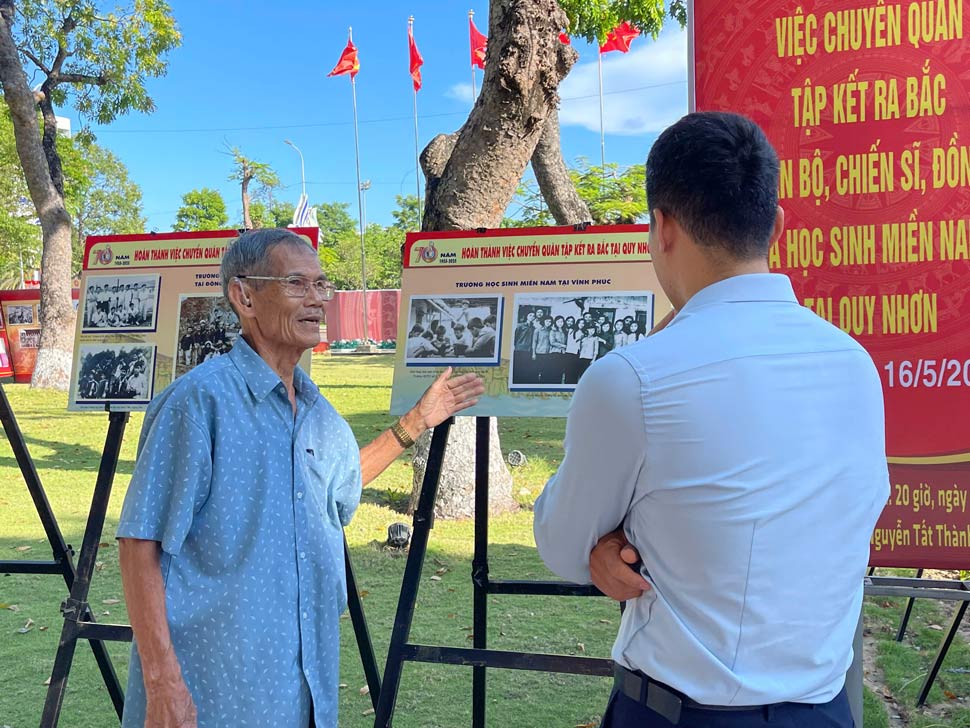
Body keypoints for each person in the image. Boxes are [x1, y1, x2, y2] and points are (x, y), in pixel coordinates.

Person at [533, 112, 888, 728]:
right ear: (776, 226)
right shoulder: (854, 363)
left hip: (680, 716)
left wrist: (605, 544)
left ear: (662, 228)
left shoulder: (632, 380)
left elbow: (564, 547)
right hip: (825, 712)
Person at [117, 228, 484, 728]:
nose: (317, 300)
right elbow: (141, 542)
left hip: (301, 686)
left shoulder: (317, 411)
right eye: (296, 284)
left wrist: (418, 421)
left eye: (322, 285)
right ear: (244, 296)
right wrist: (162, 682)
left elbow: (342, 487)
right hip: (216, 690)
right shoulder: (197, 404)